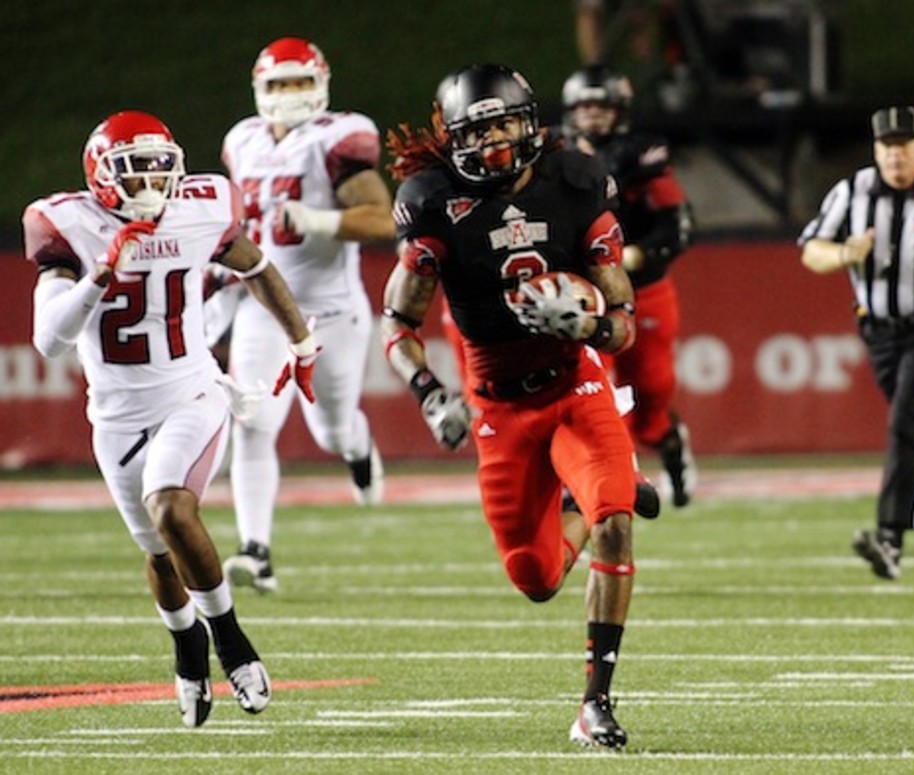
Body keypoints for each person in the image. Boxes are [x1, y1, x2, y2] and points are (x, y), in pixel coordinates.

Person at [382, 63, 651, 748]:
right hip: (498, 403)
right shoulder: (433, 200)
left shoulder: (576, 181)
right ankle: (587, 498)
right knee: (535, 579)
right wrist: (428, 392)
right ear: (453, 139)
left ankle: (595, 703)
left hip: (573, 381)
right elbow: (399, 325)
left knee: (617, 524)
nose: (497, 140)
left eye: (506, 123)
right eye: (480, 129)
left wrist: (587, 326)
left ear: (531, 123)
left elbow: (623, 319)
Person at [23, 110, 318, 727]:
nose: (153, 183)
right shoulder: (66, 223)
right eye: (136, 171)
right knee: (159, 554)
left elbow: (255, 266)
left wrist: (301, 341)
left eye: (161, 166)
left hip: (192, 390)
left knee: (170, 507)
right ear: (101, 177)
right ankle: (188, 648)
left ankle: (231, 642)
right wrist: (100, 273)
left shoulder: (202, 206)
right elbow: (49, 339)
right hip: (115, 416)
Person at [218, 37, 397, 593]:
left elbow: (384, 220)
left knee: (332, 431)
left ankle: (359, 447)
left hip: (331, 311)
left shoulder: (339, 137)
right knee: (251, 423)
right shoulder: (241, 141)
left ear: (320, 85)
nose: (290, 95)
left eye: (300, 82)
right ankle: (257, 550)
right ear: (258, 91)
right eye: (278, 84)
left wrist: (319, 222)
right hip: (264, 305)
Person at [797, 105, 914, 579]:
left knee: (906, 420)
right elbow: (811, 251)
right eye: (886, 146)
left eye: (904, 145)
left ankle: (890, 538)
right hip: (879, 331)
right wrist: (845, 252)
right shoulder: (853, 191)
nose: (894, 155)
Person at [561, 64, 697, 507]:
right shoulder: (553, 154)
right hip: (584, 294)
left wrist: (630, 256)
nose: (593, 116)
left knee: (650, 400)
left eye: (602, 106)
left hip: (642, 287)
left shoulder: (642, 154)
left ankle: (668, 441)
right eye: (585, 107)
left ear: (620, 110)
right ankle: (609, 479)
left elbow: (677, 225)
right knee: (588, 389)